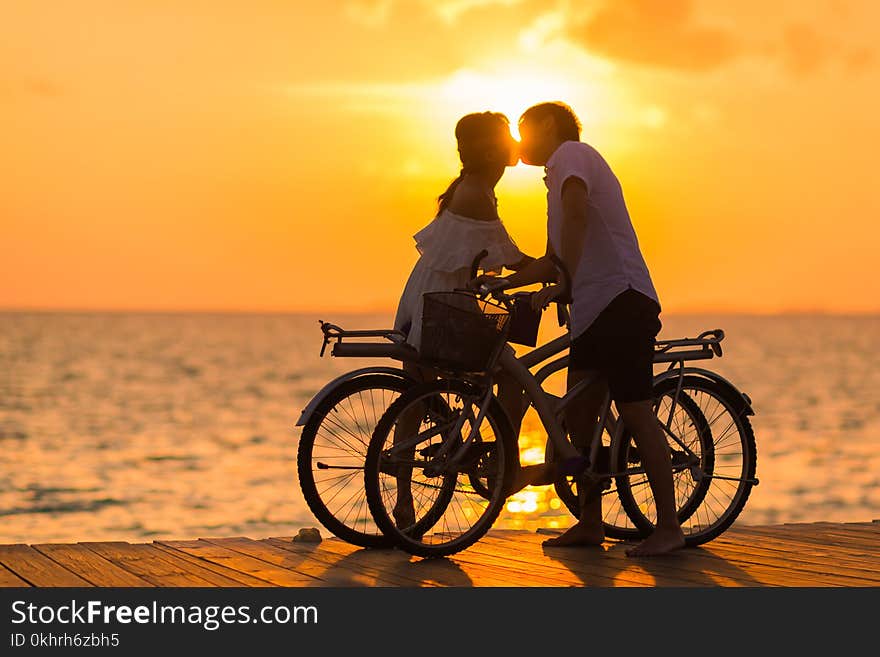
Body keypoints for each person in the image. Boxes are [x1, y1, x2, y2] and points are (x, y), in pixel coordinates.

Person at [479, 101, 685, 556]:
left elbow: (577, 217)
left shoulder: (572, 155)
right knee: (579, 417)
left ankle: (669, 527)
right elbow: (553, 258)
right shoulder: (556, 178)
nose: (518, 140)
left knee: (634, 410)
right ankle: (591, 523)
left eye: (523, 129)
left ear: (548, 125)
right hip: (593, 310)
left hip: (622, 300)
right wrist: (510, 280)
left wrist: (564, 281)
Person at [390, 111, 533, 529]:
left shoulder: (473, 188)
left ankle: (402, 503)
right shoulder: (476, 194)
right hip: (446, 308)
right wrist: (558, 268)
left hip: (428, 301)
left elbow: (482, 256)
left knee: (416, 395)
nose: (515, 142)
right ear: (490, 148)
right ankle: (505, 463)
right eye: (508, 136)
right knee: (512, 380)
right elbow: (511, 255)